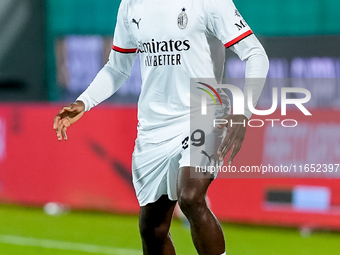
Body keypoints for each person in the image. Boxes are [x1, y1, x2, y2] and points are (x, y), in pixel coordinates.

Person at [53, 0, 269, 254]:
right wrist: (84, 102)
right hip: (154, 126)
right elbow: (117, 68)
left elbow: (256, 54)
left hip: (204, 112)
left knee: (191, 196)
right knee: (152, 228)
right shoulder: (131, 5)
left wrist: (243, 113)